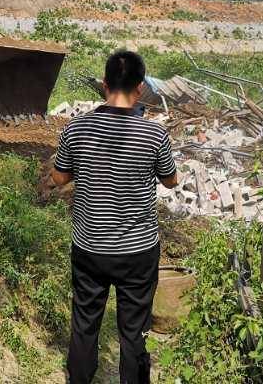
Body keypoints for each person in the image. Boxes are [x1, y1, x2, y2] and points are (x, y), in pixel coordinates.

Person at [51, 50, 179, 384]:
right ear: (140, 88)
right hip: (138, 251)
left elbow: (59, 178)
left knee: (84, 322)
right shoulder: (154, 135)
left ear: (104, 84)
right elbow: (171, 180)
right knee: (134, 330)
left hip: (90, 246)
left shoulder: (75, 129)